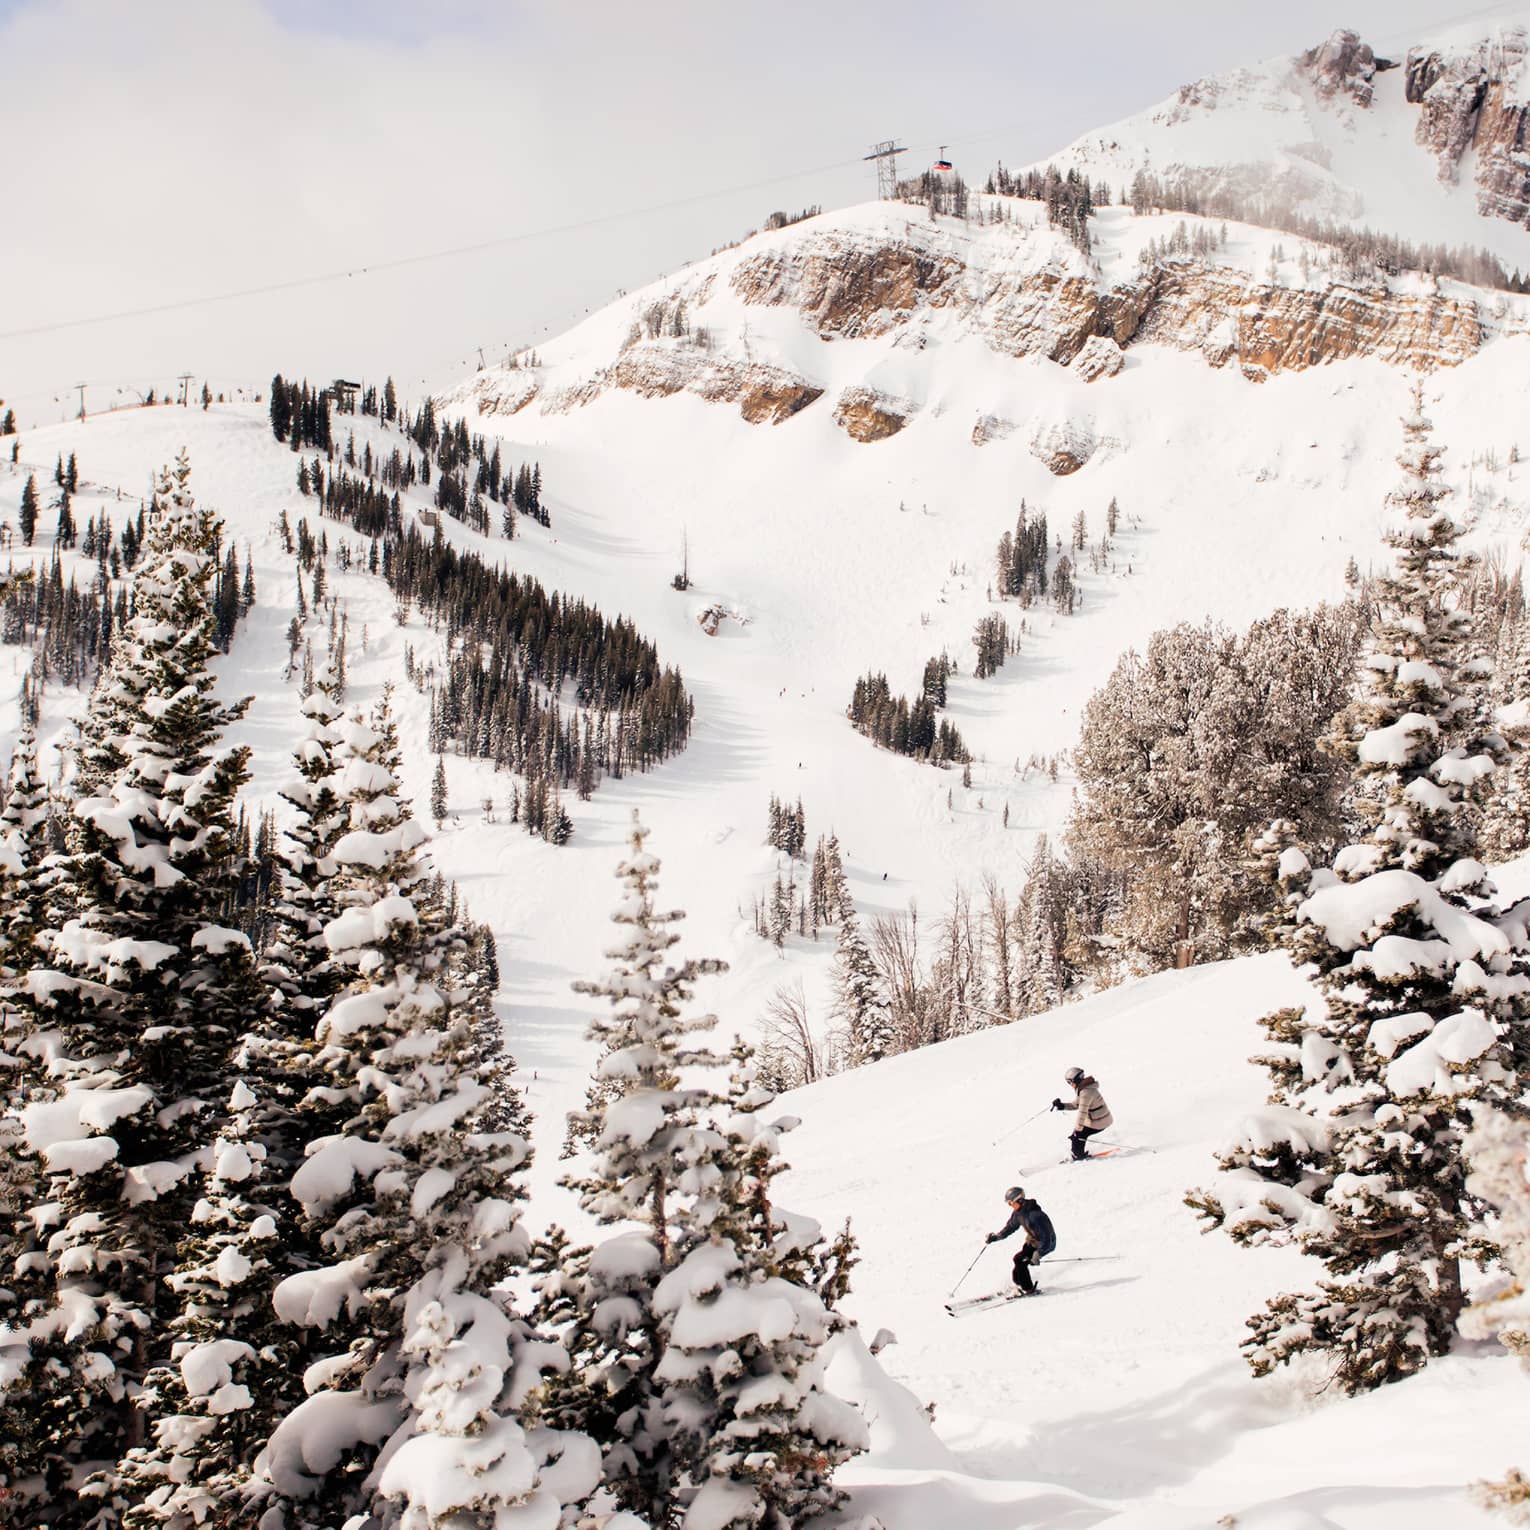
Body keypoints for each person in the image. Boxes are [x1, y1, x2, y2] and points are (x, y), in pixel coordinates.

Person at [985, 1186, 1056, 1295]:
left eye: (1010, 1203)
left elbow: (1047, 1236)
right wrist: (996, 1237)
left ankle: (1028, 1288)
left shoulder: (1035, 1215)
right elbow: (1010, 1228)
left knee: (1021, 1262)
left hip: (1046, 1243)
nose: (1010, 1206)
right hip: (1033, 1241)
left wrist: (1038, 1254)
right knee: (1018, 1259)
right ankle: (1019, 1284)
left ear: (1019, 1200)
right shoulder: (1018, 1213)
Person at [1052, 1066, 1113, 1159]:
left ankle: (1078, 1156)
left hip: (1100, 1121)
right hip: (1099, 1119)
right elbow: (1076, 1105)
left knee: (1079, 1134)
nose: (1070, 1085)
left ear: (1074, 1080)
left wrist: (1077, 1131)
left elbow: (1082, 1113)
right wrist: (1062, 1105)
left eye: (1069, 1082)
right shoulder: (1084, 1089)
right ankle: (1078, 1154)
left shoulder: (1085, 1092)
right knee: (1079, 1133)